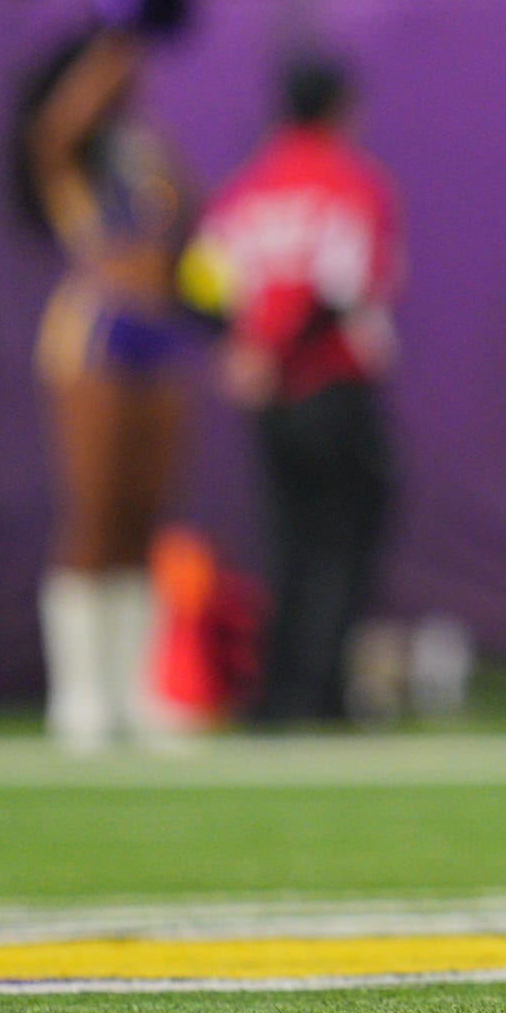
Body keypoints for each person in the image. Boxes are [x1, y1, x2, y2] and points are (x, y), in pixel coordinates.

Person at [184, 54, 403, 727]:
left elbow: (197, 280)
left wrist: (239, 346)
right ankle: (321, 692)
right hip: (329, 383)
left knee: (285, 539)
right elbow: (340, 289)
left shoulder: (246, 188)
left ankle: (276, 692)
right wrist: (276, 350)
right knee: (343, 537)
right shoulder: (349, 180)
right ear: (341, 106)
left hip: (270, 395)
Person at [11, 0, 195, 754]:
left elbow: (188, 215)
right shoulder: (66, 151)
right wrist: (111, 43)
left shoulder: (143, 149)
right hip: (95, 325)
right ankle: (79, 696)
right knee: (90, 510)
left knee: (139, 515)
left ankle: (132, 692)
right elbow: (53, 129)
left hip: (160, 326)